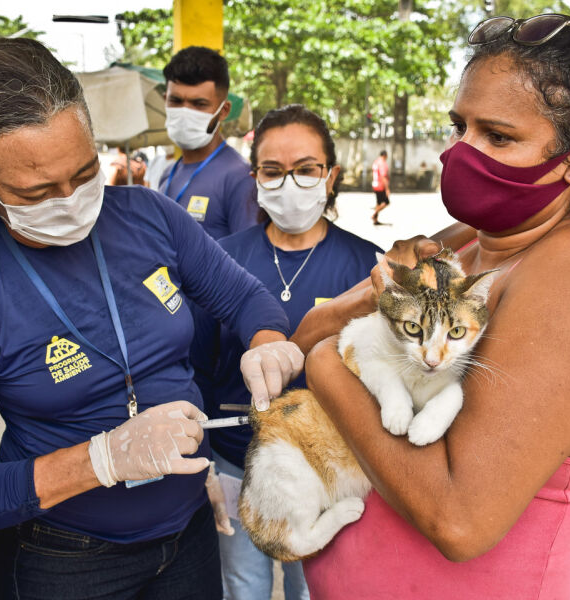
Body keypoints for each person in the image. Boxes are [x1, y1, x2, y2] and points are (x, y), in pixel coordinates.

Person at [0, 38, 304, 600]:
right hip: (66, 558)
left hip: (189, 532)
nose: (71, 199)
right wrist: (102, 459)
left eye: (85, 170)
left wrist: (267, 341)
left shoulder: (150, 216)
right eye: (38, 190)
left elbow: (244, 298)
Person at [292, 14, 570, 599]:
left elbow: (459, 519)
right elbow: (303, 334)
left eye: (498, 136)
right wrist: (374, 293)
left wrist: (329, 366)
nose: (462, 152)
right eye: (460, 126)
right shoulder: (463, 240)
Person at [191, 104, 383, 600]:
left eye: (306, 169)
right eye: (273, 171)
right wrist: (204, 463)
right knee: (241, 585)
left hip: (325, 465)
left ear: (331, 175)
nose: (289, 183)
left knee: (314, 587)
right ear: (256, 178)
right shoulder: (222, 260)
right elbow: (196, 366)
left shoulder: (367, 267)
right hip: (236, 462)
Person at [159, 46, 258, 239]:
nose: (185, 112)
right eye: (176, 101)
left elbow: (249, 258)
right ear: (165, 100)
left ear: (223, 110)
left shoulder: (240, 178)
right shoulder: (167, 174)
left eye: (199, 104)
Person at [371, 149, 390, 225]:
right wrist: (387, 189)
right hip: (380, 185)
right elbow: (383, 176)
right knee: (386, 202)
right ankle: (374, 214)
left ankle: (375, 220)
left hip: (375, 184)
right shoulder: (382, 163)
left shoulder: (376, 162)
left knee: (378, 202)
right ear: (385, 155)